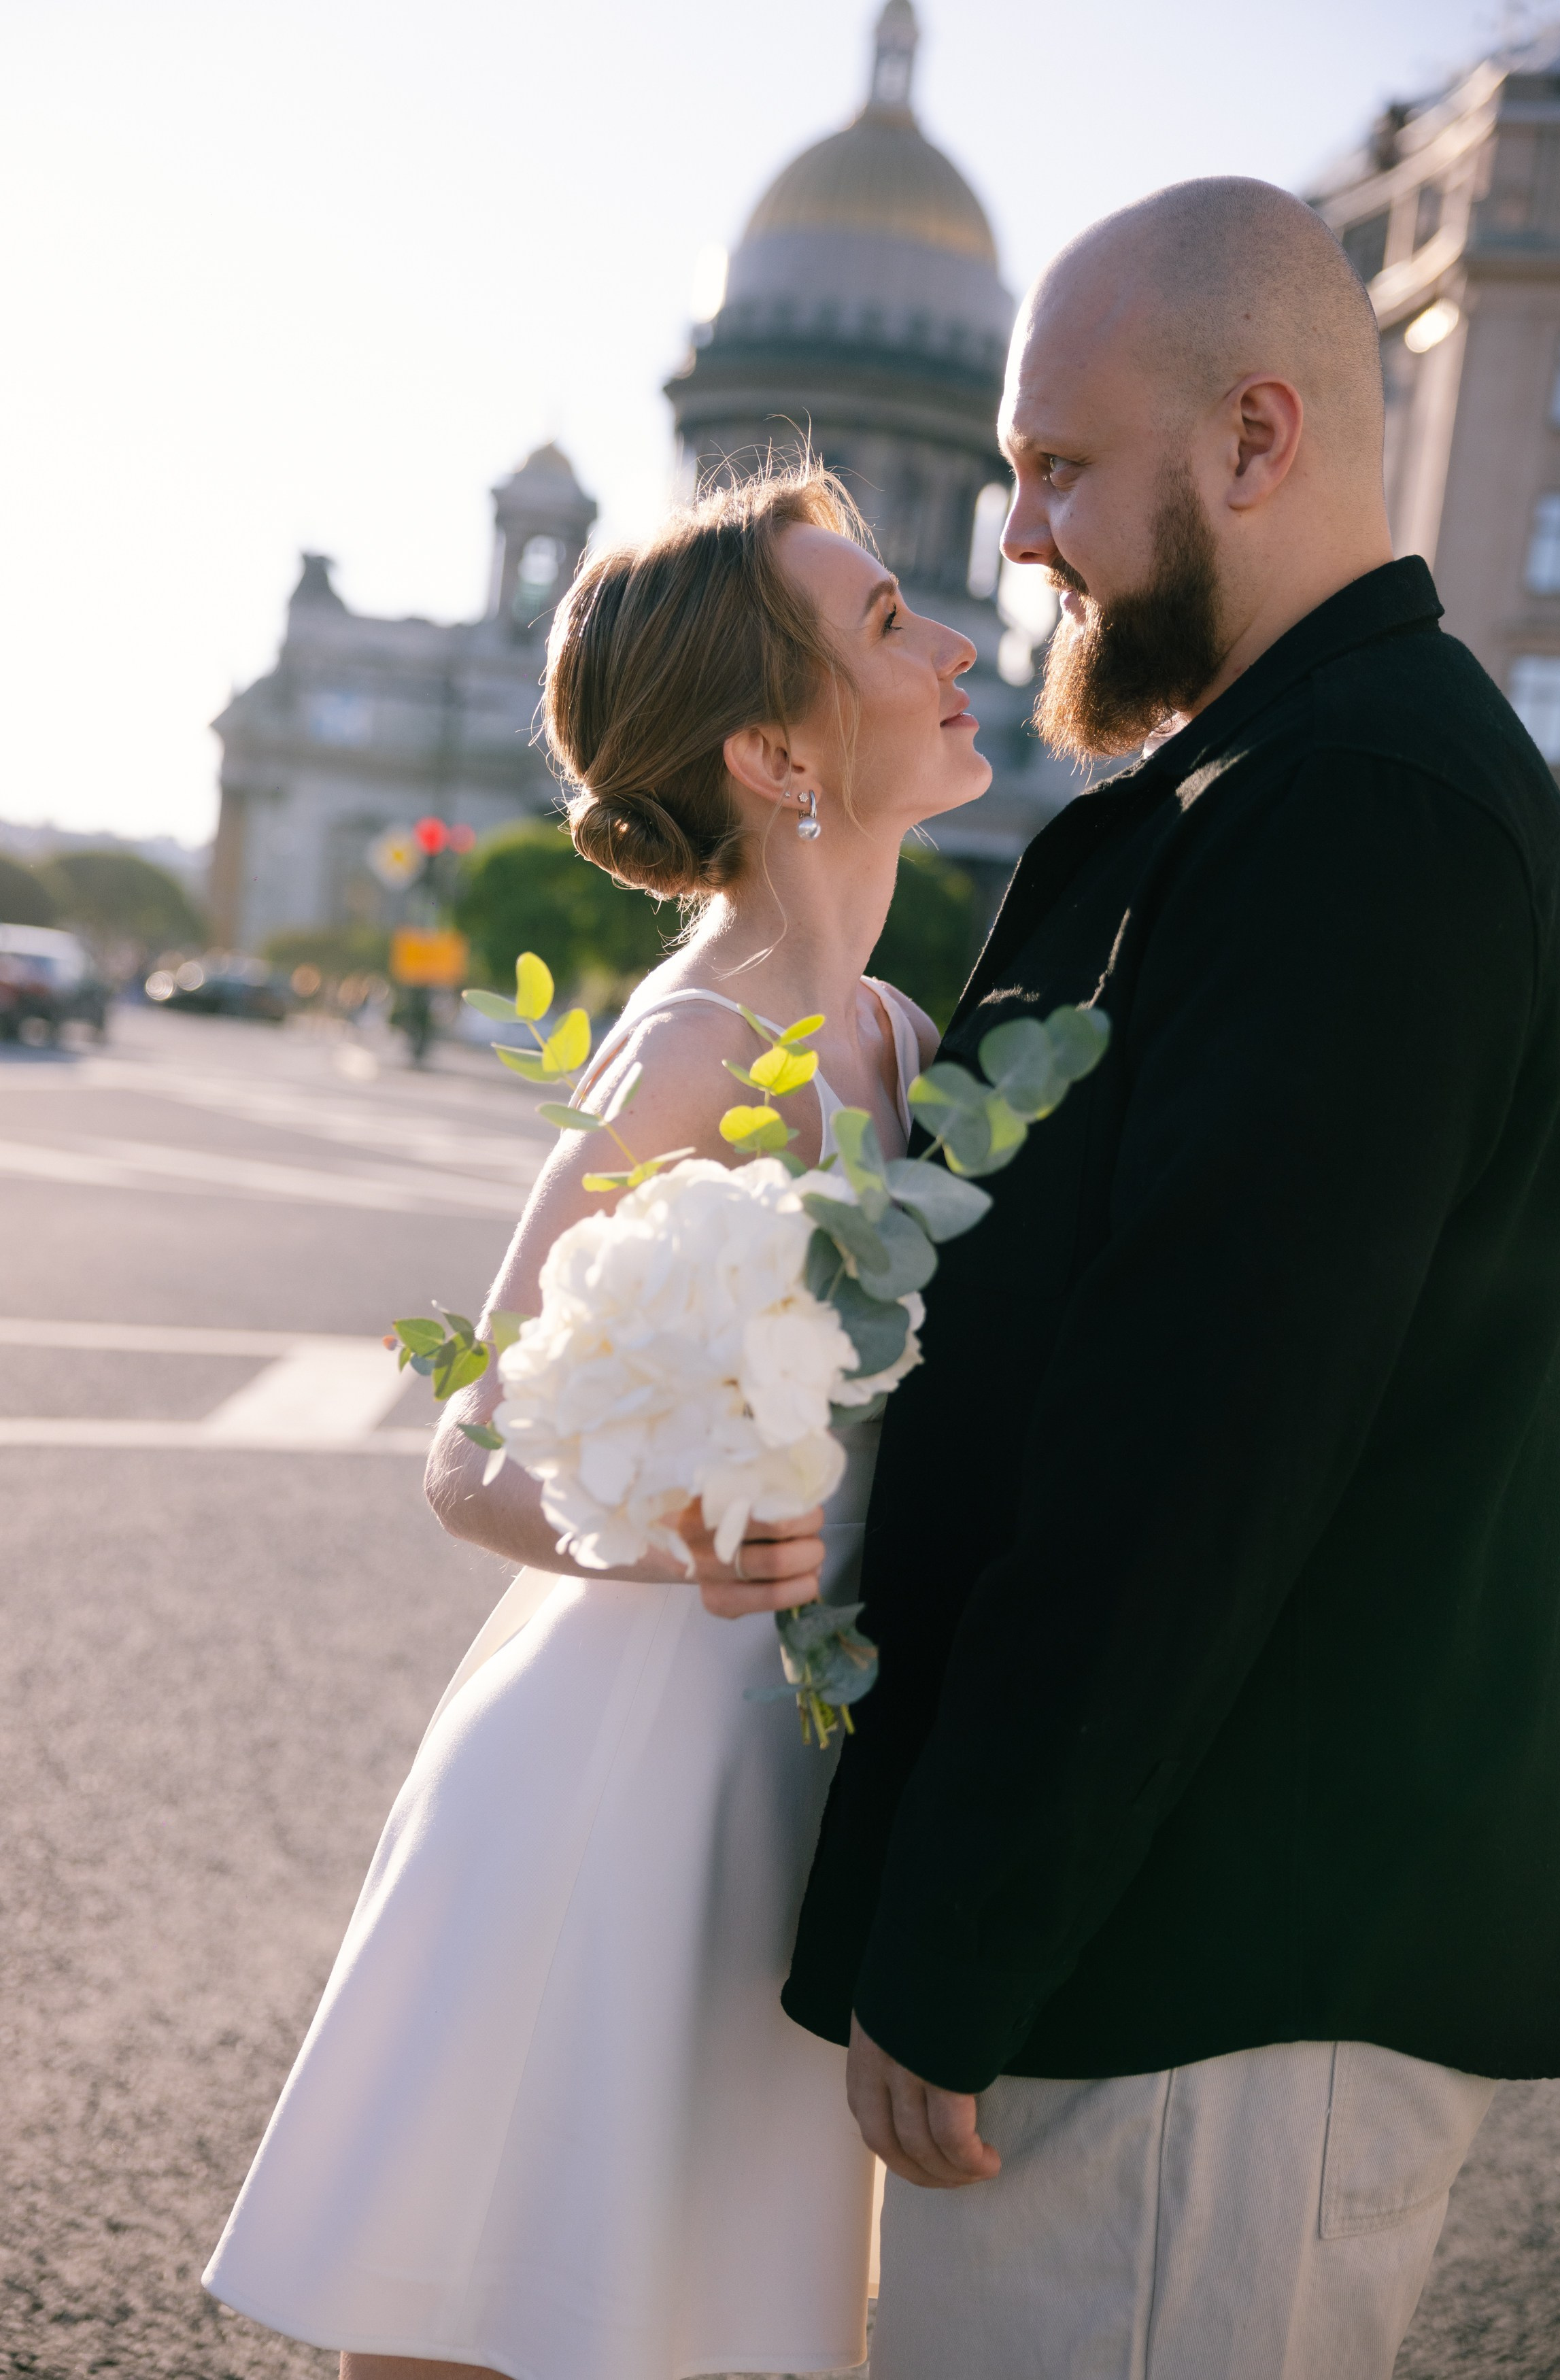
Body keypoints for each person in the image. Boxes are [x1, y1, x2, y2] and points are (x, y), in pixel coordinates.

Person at [782, 175, 1560, 2380]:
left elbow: (1201, 1437)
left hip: (1205, 1979)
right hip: (1172, 1957)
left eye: (1059, 468)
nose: (1019, 534)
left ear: (1256, 439)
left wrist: (967, 1933)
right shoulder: (1285, 780)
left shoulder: (1361, 811)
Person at [201, 465, 991, 2380]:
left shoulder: (898, 1035)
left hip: (791, 1790)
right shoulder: (698, 1042)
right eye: (889, 622)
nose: (959, 640)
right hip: (625, 1784)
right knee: (511, 2318)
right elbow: (467, 1449)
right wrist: (679, 1532)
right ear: (773, 749)